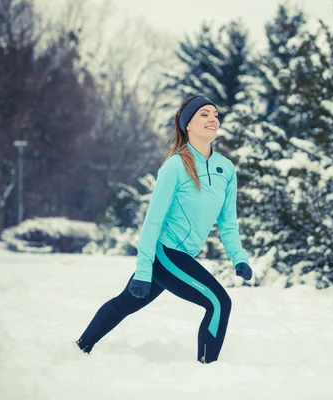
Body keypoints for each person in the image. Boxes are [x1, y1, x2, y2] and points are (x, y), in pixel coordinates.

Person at [76, 95, 253, 364]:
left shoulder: (225, 169)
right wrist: (144, 270)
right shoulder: (175, 166)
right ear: (188, 125)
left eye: (215, 114)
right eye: (204, 114)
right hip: (165, 253)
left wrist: (238, 257)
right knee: (218, 303)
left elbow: (227, 221)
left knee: (126, 303)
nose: (213, 118)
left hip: (181, 256)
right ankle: (208, 371)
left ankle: (80, 347)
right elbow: (153, 222)